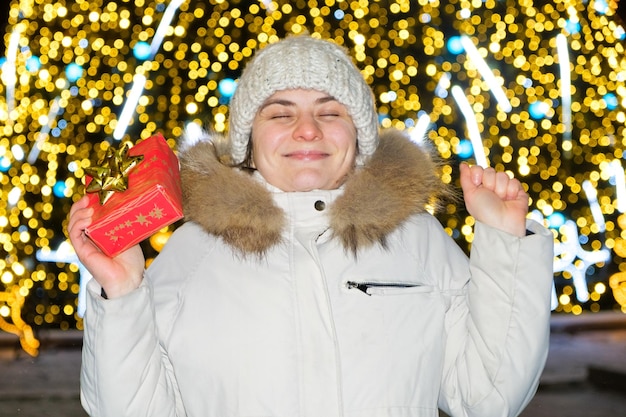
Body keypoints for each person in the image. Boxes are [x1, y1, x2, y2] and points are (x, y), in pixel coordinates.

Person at [68, 35, 554, 417]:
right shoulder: (194, 252)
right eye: (281, 113)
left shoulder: (415, 239)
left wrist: (506, 243)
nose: (307, 130)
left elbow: (488, 398)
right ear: (248, 140)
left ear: (358, 135)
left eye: (330, 112)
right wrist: (124, 293)